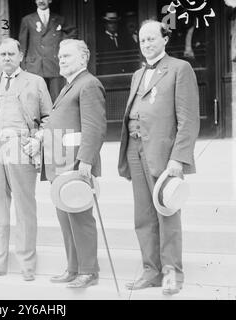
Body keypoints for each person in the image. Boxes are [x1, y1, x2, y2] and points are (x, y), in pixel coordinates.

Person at [118, 20, 200, 295]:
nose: (147, 44)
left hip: (163, 153)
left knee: (166, 212)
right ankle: (150, 271)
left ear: (165, 39)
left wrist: (179, 158)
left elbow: (188, 120)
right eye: (142, 40)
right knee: (142, 215)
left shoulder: (180, 69)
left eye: (152, 38)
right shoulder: (137, 75)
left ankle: (172, 274)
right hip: (135, 149)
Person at [0, 38, 52, 281]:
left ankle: (27, 265)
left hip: (21, 147)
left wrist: (37, 140)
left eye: (11, 54)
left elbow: (49, 118)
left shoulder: (36, 82)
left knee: (24, 209)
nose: (6, 58)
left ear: (20, 56)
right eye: (2, 54)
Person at [40, 39, 106, 288]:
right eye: (60, 56)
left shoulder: (88, 84)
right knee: (66, 219)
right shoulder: (69, 85)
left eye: (67, 56)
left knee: (80, 218)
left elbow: (95, 127)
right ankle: (73, 268)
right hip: (60, 163)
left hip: (76, 164)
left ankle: (88, 271)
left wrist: (86, 161)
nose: (61, 60)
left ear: (83, 58)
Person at [19, 0, 77, 103]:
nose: (41, 1)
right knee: (36, 101)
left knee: (57, 100)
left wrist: (61, 42)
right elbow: (22, 46)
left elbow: (73, 32)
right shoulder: (27, 20)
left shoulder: (59, 19)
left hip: (54, 65)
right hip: (35, 67)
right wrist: (23, 68)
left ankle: (55, 119)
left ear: (50, 0)